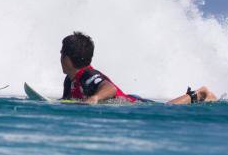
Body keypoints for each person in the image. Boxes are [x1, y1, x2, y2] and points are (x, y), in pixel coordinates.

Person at [60, 31, 218, 105]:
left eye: (61, 53)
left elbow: (110, 88)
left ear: (67, 59)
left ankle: (199, 93)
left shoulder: (88, 75)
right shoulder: (70, 80)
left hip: (133, 103)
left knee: (166, 108)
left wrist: (94, 98)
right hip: (127, 100)